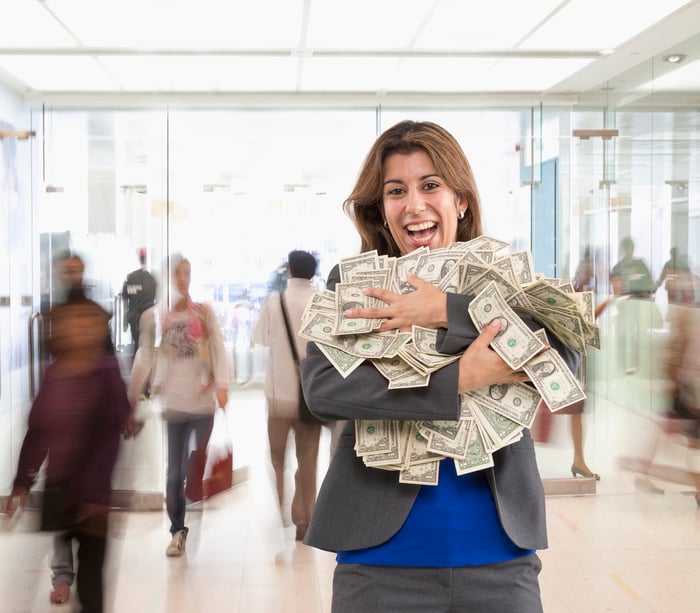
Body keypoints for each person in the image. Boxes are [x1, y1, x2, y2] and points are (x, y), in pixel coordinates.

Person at [300, 120, 580, 612]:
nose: (414, 204)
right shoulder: (357, 283)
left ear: (461, 200)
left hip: (500, 560)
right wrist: (459, 380)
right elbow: (323, 390)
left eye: (431, 185)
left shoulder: (506, 281)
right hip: (379, 562)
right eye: (396, 191)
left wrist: (446, 310)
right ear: (381, 209)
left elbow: (567, 366)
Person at [5, 289, 133, 612]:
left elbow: (115, 428)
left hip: (95, 497)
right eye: (73, 322)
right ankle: (62, 579)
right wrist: (22, 482)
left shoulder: (107, 374)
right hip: (61, 489)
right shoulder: (54, 375)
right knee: (64, 544)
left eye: (89, 323)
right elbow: (38, 433)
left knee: (91, 580)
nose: (81, 330)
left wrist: (128, 421)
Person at [128, 254, 229, 557]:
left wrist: (223, 385)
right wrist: (132, 396)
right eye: (177, 274)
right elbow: (145, 356)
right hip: (173, 405)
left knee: (195, 459)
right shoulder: (155, 318)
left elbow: (219, 348)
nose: (183, 279)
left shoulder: (204, 313)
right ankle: (177, 530)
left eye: (187, 273)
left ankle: (193, 493)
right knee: (174, 473)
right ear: (168, 279)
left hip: (202, 404)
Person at [252, 250, 322, 541]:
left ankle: (282, 505)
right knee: (308, 461)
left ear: (290, 269)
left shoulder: (274, 302)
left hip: (278, 397)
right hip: (311, 398)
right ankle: (304, 520)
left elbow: (259, 338)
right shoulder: (321, 302)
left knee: (278, 457)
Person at [122, 247, 157, 351]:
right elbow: (155, 298)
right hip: (148, 317)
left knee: (138, 346)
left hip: (134, 317)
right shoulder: (151, 279)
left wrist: (125, 319)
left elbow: (125, 297)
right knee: (147, 346)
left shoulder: (131, 277)